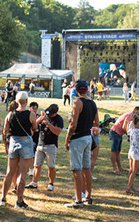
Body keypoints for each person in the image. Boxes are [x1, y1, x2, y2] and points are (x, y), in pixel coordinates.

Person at [64, 79, 99, 208]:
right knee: (86, 168)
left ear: (77, 90)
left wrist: (67, 139)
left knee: (76, 169)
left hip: (78, 138)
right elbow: (97, 123)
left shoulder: (77, 102)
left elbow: (73, 124)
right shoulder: (93, 103)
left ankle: (78, 200)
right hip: (88, 138)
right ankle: (88, 197)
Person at [0, 91, 37, 209]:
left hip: (13, 142)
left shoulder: (10, 114)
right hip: (25, 141)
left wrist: (6, 144)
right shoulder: (31, 114)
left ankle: (3, 198)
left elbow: (5, 131)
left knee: (9, 172)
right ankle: (19, 201)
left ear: (16, 101)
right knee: (22, 173)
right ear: (27, 101)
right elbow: (35, 128)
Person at [25, 104, 63, 191]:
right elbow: (32, 126)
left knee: (51, 166)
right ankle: (34, 182)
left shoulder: (58, 119)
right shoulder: (44, 116)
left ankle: (51, 184)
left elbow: (57, 132)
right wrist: (39, 120)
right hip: (40, 143)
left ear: (55, 113)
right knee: (37, 165)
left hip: (51, 145)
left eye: (50, 115)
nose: (48, 116)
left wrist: (48, 124)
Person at [109, 106, 139, 174]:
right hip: (115, 132)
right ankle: (114, 168)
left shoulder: (132, 116)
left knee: (118, 151)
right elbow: (125, 126)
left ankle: (120, 167)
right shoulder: (130, 116)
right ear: (135, 110)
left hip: (119, 134)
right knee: (114, 151)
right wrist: (129, 135)